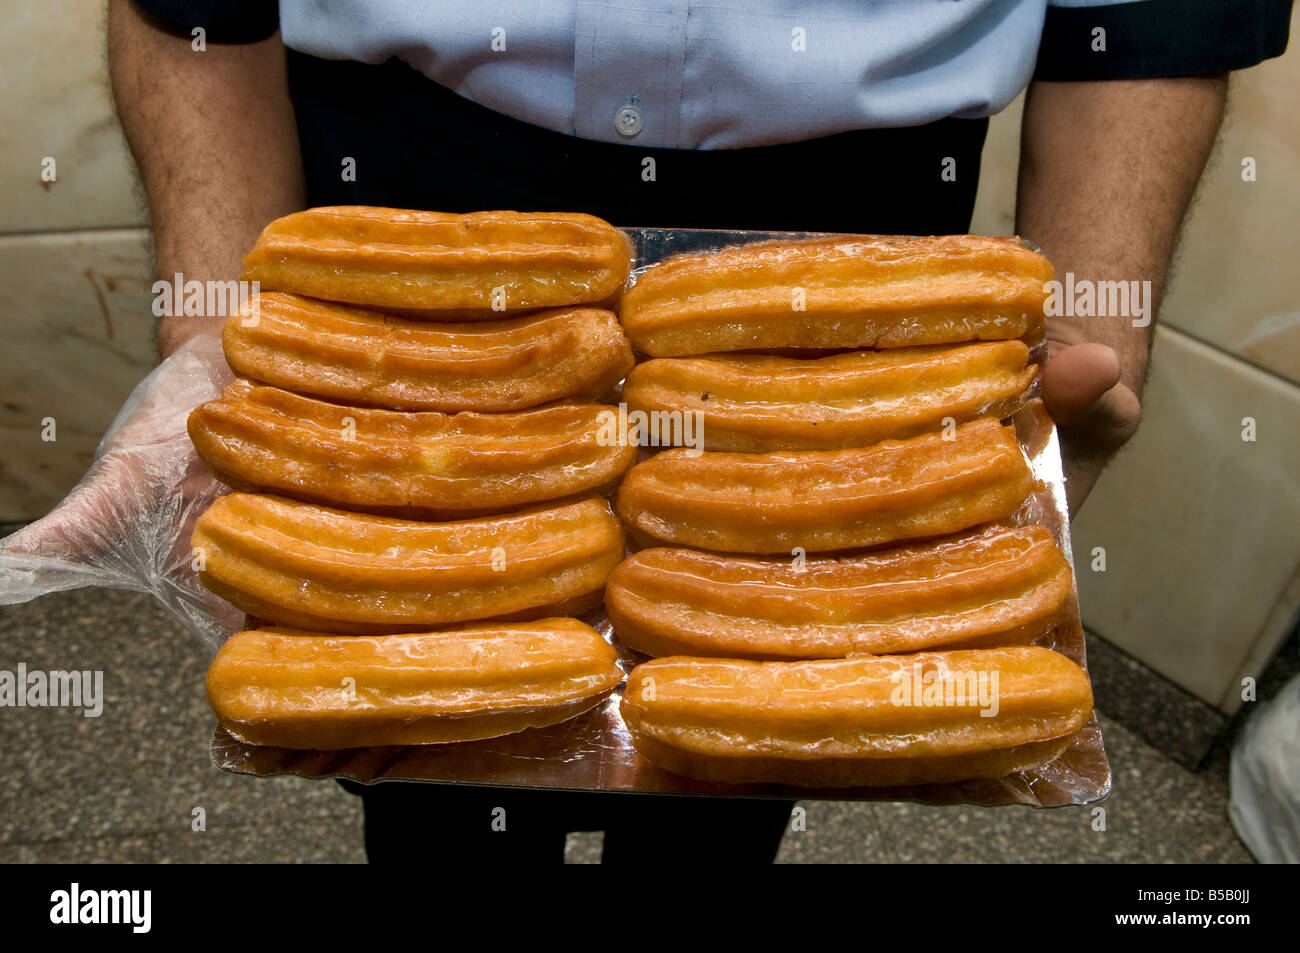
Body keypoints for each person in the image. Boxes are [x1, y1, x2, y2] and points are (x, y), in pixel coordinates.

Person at [18, 0, 1291, 863]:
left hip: (866, 223)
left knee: (741, 749)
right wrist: (210, 333)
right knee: (413, 746)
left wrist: (1091, 322)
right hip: (392, 199)